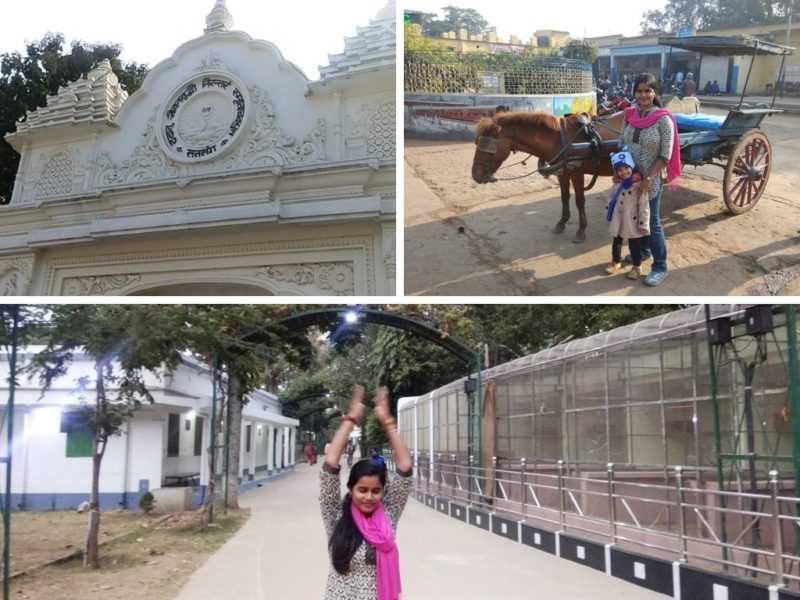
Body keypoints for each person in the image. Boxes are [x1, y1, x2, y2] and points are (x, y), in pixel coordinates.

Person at [320, 385, 413, 600]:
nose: (369, 497)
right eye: (362, 490)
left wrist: (387, 422)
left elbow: (405, 467)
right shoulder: (336, 515)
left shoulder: (388, 514)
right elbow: (330, 465)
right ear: (351, 489)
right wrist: (350, 419)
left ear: (383, 493)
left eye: (375, 491)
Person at [622, 72, 681, 287]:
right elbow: (622, 143)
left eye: (648, 90)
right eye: (639, 91)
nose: (643, 95)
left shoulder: (663, 119)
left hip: (650, 181)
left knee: (653, 223)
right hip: (630, 179)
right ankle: (643, 252)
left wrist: (648, 177)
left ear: (654, 93)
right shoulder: (630, 115)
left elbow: (665, 155)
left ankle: (660, 266)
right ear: (634, 92)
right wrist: (620, 170)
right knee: (635, 219)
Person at [604, 150, 648, 280]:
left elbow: (644, 205)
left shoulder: (639, 185)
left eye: (626, 168)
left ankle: (637, 266)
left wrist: (643, 223)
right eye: (620, 170)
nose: (624, 172)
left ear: (632, 167)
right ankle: (616, 261)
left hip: (633, 220)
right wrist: (608, 212)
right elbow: (612, 198)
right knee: (616, 241)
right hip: (619, 219)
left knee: (634, 244)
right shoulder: (618, 184)